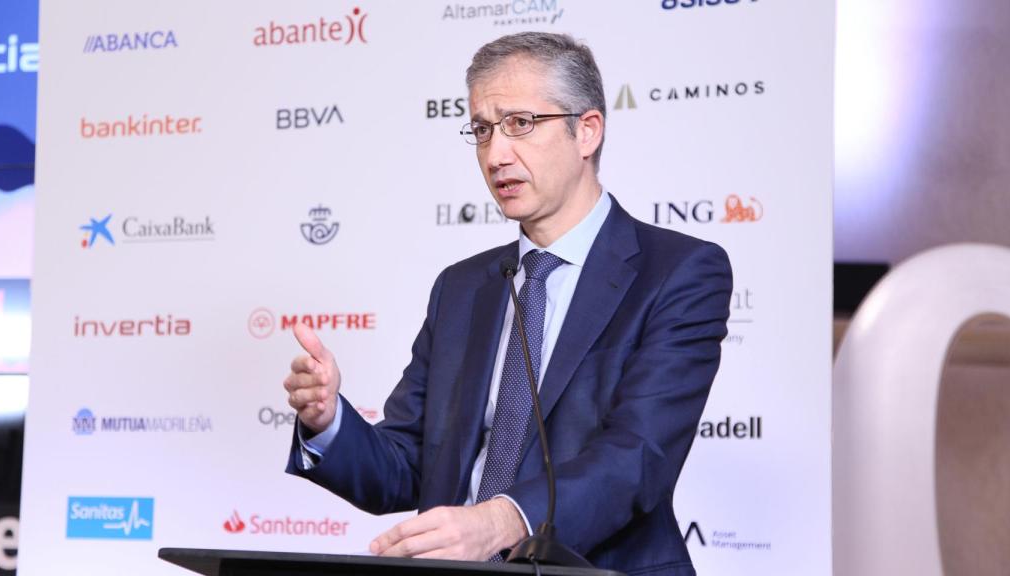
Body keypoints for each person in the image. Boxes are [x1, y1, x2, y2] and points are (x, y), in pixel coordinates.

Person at [283, 32, 732, 576]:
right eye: (482, 130)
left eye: (520, 124)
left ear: (586, 131)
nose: (496, 155)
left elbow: (639, 456)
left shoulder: (678, 272)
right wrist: (329, 421)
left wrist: (503, 520)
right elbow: (404, 468)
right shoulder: (463, 288)